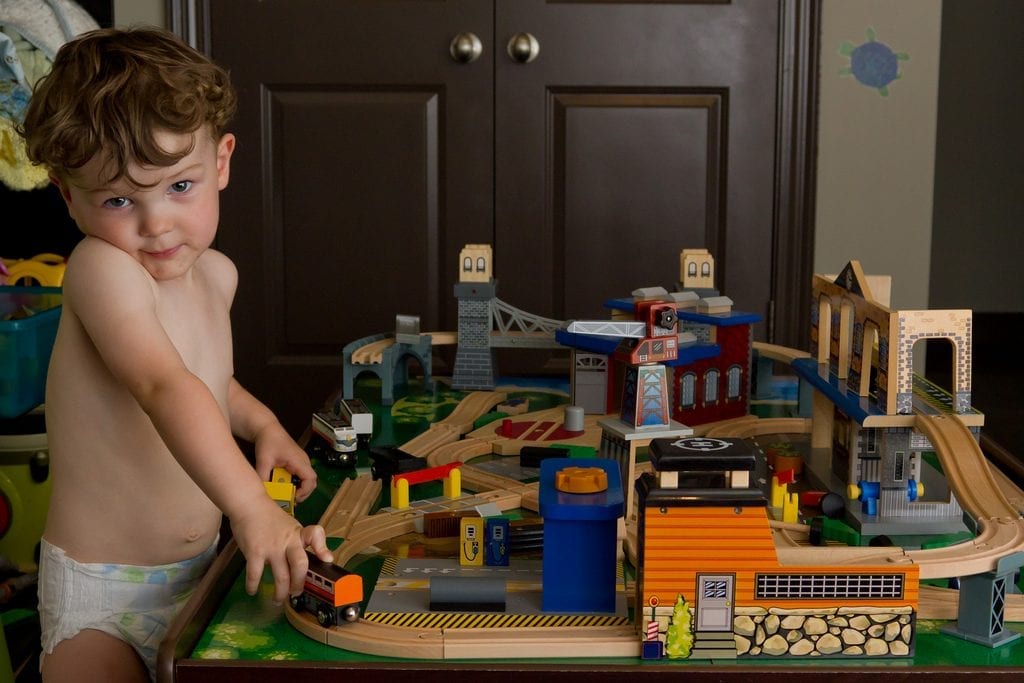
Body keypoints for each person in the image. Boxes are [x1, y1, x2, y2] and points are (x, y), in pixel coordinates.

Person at [17, 27, 334, 682]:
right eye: (119, 199)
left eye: (179, 187)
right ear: (67, 194)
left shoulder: (215, 276)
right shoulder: (101, 271)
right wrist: (252, 505)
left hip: (199, 575)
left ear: (220, 162)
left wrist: (264, 425)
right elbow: (163, 384)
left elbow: (208, 380)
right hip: (102, 594)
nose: (155, 223)